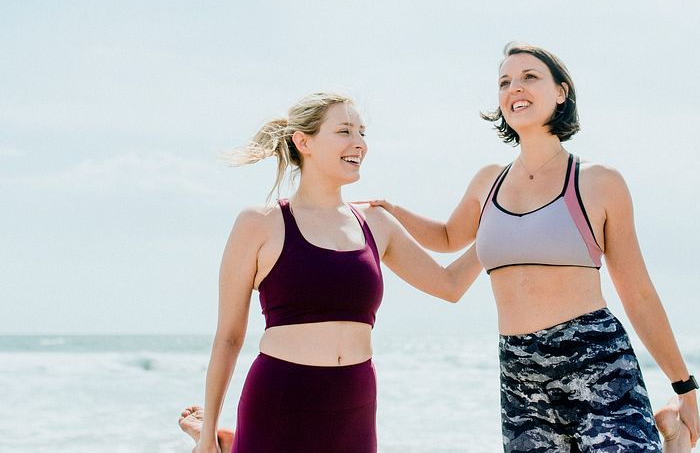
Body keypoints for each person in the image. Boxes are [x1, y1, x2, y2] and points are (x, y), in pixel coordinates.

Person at [363, 42, 700, 452]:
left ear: (561, 92)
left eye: (529, 77)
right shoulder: (488, 181)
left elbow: (638, 292)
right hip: (520, 370)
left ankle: (676, 439)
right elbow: (449, 237)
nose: (514, 88)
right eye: (504, 82)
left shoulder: (598, 182)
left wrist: (684, 385)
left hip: (594, 359)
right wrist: (390, 211)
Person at [183, 92, 482, 453]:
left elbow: (449, 285)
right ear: (303, 142)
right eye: (344, 131)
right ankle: (224, 439)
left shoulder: (376, 222)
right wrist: (206, 437)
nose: (359, 144)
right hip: (281, 399)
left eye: (362, 133)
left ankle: (234, 442)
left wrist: (500, 233)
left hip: (354, 402)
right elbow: (229, 336)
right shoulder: (259, 223)